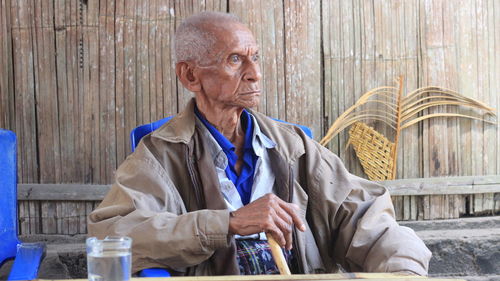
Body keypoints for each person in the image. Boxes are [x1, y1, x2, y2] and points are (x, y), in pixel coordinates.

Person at [88, 11, 431, 276]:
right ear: (191, 76)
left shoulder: (292, 145)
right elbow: (114, 236)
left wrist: (404, 270)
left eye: (255, 57)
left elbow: (364, 216)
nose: (255, 73)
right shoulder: (160, 154)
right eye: (235, 60)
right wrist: (228, 222)